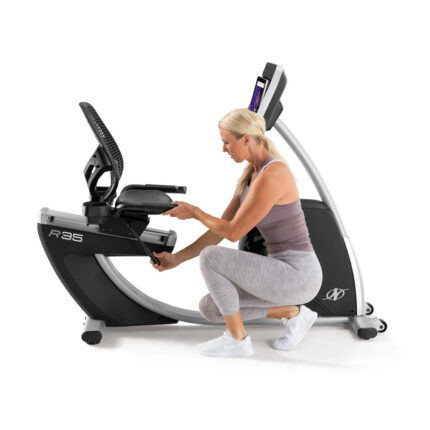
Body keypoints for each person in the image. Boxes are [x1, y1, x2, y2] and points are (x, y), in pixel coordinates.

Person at [150, 109, 323, 357]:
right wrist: (177, 258)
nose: (224, 149)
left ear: (246, 139)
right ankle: (293, 314)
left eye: (227, 142)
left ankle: (237, 339)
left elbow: (234, 233)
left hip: (298, 275)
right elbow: (219, 230)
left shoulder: (274, 174)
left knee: (211, 257)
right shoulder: (251, 175)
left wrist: (196, 212)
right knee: (210, 308)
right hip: (279, 273)